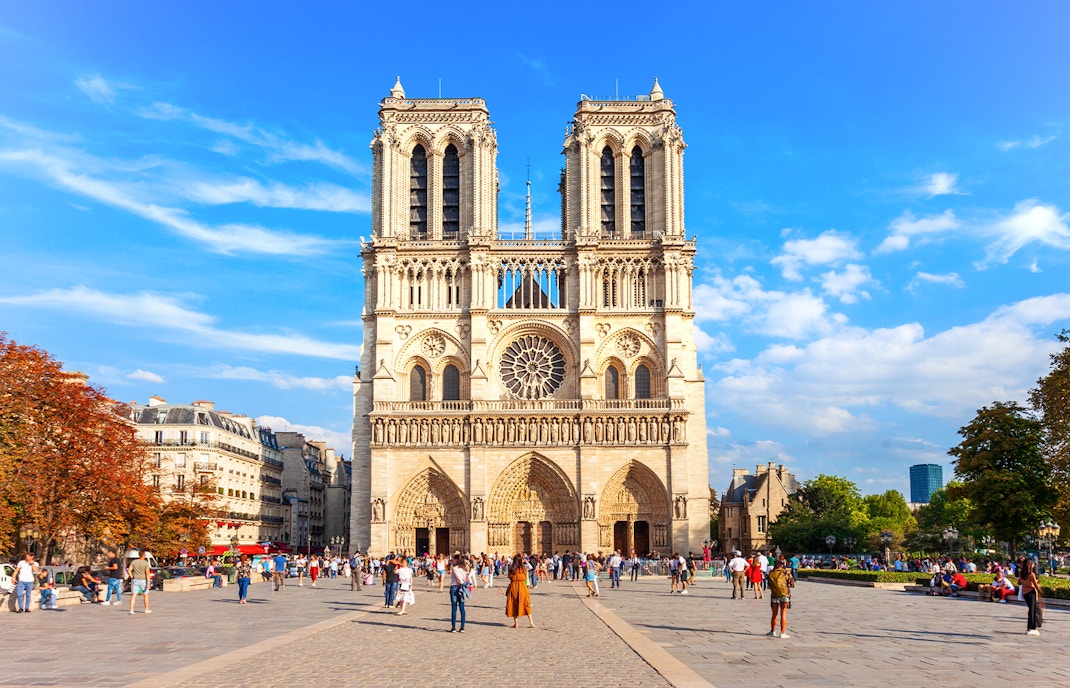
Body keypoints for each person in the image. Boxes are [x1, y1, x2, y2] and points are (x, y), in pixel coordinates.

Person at [506, 553, 534, 628]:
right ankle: (531, 622)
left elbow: (510, 577)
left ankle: (516, 623)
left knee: (513, 604)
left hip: (514, 587)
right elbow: (525, 577)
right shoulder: (523, 569)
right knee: (526, 604)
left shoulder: (511, 569)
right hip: (522, 587)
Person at [766, 560, 792, 638]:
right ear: (781, 565)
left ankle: (772, 631)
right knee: (783, 613)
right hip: (784, 595)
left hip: (774, 595)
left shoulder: (771, 573)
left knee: (774, 614)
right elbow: (791, 584)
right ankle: (782, 633)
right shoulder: (785, 572)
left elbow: (769, 586)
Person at [1018, 558, 1043, 635]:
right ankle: (1032, 628)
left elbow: (1019, 582)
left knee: (1033, 609)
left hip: (1025, 593)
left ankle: (1032, 626)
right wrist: (1040, 592)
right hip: (1031, 592)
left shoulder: (1021, 573)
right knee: (1033, 611)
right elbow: (1035, 585)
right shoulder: (1031, 574)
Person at [449, 554, 469, 633]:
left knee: (454, 607)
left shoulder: (455, 568)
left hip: (455, 588)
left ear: (456, 560)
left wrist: (461, 582)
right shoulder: (463, 569)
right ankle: (462, 627)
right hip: (462, 589)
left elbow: (459, 579)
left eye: (453, 559)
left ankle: (453, 627)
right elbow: (464, 578)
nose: (452, 560)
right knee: (462, 607)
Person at [128, 549, 152, 614]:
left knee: (133, 595)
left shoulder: (134, 562)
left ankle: (131, 610)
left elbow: (129, 570)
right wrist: (149, 583)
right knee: (145, 595)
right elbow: (147, 574)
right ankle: (146, 609)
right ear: (144, 555)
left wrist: (131, 576)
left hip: (135, 580)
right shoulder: (145, 563)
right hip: (143, 580)